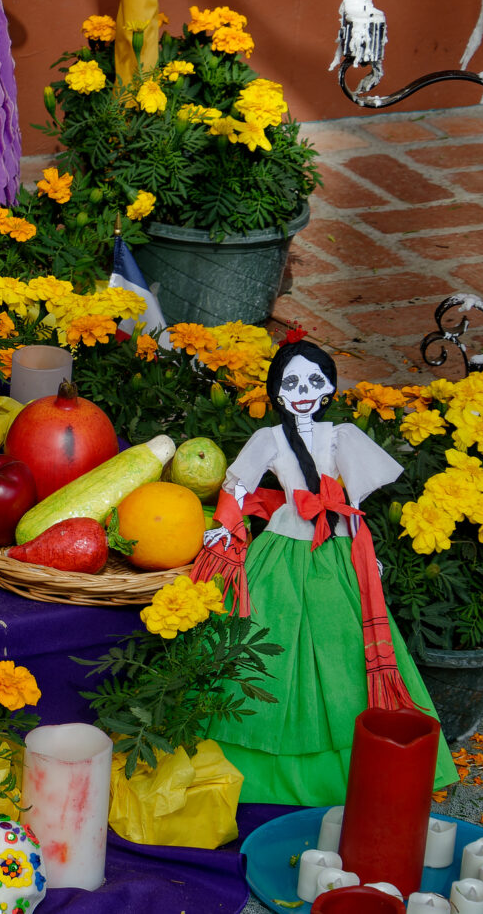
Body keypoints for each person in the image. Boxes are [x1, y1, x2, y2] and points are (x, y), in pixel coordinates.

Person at [199, 337, 453, 804]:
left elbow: (352, 503)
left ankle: (353, 769)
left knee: (343, 652)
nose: (303, 390)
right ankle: (249, 770)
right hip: (279, 549)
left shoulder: (342, 437)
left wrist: (362, 551)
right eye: (292, 381)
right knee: (264, 641)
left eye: (315, 380)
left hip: (335, 549)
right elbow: (238, 486)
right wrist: (226, 527)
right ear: (276, 392)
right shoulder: (268, 439)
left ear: (330, 387)